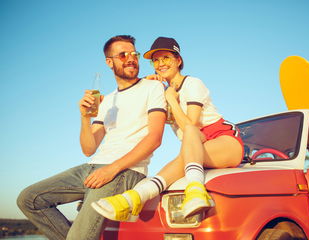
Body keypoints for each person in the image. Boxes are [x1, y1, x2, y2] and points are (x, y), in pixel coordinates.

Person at [16, 35, 167, 240]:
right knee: (29, 199)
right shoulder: (105, 100)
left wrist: (112, 169)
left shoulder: (152, 87)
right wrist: (85, 118)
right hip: (92, 167)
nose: (131, 58)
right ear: (109, 62)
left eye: (134, 54)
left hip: (124, 170)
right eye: (123, 55)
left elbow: (154, 139)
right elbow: (89, 148)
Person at [92, 36, 244, 221]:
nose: (160, 63)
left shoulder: (192, 83)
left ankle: (193, 191)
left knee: (187, 141)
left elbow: (191, 127)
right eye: (156, 60)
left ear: (178, 60)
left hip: (223, 140)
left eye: (166, 58)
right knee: (183, 158)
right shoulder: (161, 90)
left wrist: (171, 98)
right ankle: (133, 199)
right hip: (194, 149)